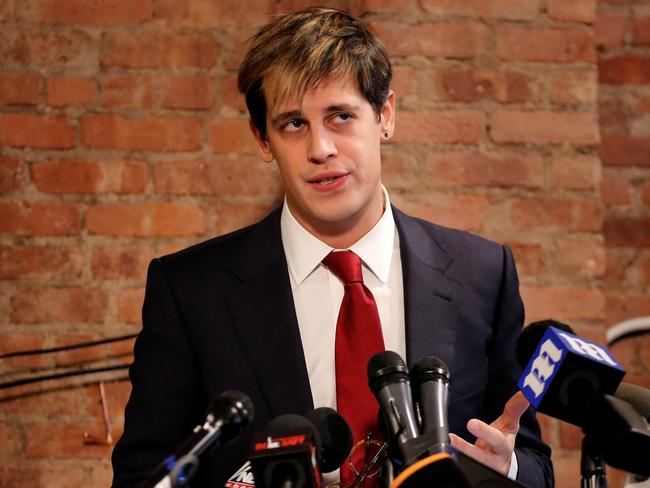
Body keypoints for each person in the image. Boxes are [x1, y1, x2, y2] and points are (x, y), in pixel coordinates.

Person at [111, 7, 553, 488]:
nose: (320, 148)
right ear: (263, 140)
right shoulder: (192, 291)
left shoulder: (482, 274)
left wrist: (505, 468)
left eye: (340, 116)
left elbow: (533, 464)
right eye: (293, 124)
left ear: (384, 115)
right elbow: (142, 477)